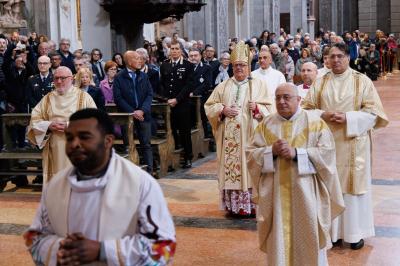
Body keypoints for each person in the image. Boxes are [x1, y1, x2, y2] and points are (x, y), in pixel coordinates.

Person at [24, 108, 176, 265]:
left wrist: (102, 250)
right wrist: (61, 247)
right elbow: (34, 238)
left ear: (108, 141)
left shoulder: (140, 183)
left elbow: (163, 247)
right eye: (69, 138)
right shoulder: (55, 186)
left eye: (84, 137)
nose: (74, 144)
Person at [246, 83, 345, 266]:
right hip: (275, 196)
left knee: (308, 237)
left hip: (306, 193)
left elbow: (327, 154)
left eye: (287, 97)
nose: (281, 102)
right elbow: (251, 155)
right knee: (279, 240)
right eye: (278, 98)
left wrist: (298, 154)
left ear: (298, 100)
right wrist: (271, 151)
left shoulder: (315, 123)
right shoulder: (266, 125)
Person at [302, 43, 389, 250]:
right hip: (326, 145)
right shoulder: (320, 82)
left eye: (340, 56)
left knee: (352, 192)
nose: (336, 60)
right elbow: (305, 110)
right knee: (328, 187)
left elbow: (374, 114)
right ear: (327, 59)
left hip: (353, 144)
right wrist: (322, 114)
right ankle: (331, 234)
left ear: (348, 58)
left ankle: (354, 233)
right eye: (332, 57)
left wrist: (349, 118)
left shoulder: (362, 81)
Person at [204, 41, 273, 217]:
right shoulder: (224, 85)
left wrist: (257, 108)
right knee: (233, 171)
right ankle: (234, 206)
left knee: (251, 169)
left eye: (242, 65)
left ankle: (253, 205)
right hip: (229, 139)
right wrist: (222, 110)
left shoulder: (258, 84)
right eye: (236, 66)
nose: (239, 69)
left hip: (251, 137)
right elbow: (209, 105)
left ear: (249, 66)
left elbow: (270, 109)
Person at [26, 66, 97, 184]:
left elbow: (95, 121)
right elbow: (35, 120)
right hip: (54, 147)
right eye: (56, 78)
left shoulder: (83, 97)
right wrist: (48, 126)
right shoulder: (48, 99)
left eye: (63, 78)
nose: (59, 81)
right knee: (57, 184)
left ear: (71, 78)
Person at [113, 51, 154, 174]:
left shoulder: (143, 76)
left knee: (146, 144)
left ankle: (150, 172)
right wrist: (132, 112)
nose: (140, 61)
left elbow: (149, 94)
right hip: (127, 117)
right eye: (137, 59)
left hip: (143, 115)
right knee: (129, 146)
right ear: (129, 62)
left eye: (141, 59)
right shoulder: (119, 77)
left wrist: (142, 110)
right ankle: (130, 174)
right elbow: (118, 98)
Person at [160, 41, 194, 168]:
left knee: (185, 131)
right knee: (172, 130)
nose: (174, 51)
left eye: (176, 49)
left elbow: (189, 85)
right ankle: (172, 158)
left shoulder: (187, 65)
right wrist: (166, 99)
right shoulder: (164, 65)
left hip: (182, 103)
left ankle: (188, 157)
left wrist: (177, 99)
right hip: (169, 103)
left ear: (181, 50)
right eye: (172, 48)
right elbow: (162, 84)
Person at [188, 47, 213, 137]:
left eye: (195, 55)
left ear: (200, 56)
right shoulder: (186, 68)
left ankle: (205, 137)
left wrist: (194, 93)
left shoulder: (206, 68)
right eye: (191, 56)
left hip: (202, 97)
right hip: (188, 98)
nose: (193, 58)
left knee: (202, 117)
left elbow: (207, 84)